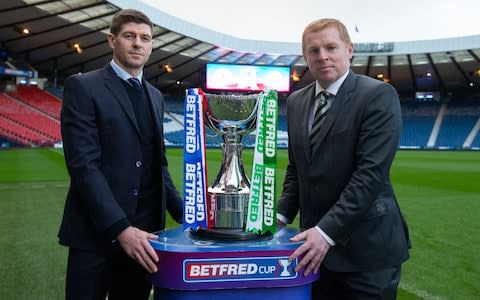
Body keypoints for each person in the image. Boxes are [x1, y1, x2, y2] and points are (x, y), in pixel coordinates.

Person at [277, 18, 410, 299]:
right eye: (313, 50)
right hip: (313, 253)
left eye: (330, 47)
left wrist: (325, 232)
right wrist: (278, 218)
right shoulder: (297, 101)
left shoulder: (377, 95)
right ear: (305, 56)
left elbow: (370, 174)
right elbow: (296, 168)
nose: (322, 56)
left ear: (349, 49)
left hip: (367, 254)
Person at [58, 9, 183, 300]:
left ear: (152, 45)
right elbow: (83, 166)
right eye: (130, 36)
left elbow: (157, 166)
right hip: (95, 233)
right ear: (112, 40)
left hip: (145, 236)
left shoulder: (155, 95)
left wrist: (188, 215)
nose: (138, 43)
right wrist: (121, 228)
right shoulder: (83, 86)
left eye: (145, 38)